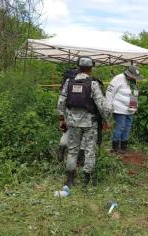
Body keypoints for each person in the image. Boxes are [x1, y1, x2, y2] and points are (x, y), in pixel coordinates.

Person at [57, 57, 111, 187]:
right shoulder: (93, 83)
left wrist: (61, 119)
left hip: (72, 123)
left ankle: (70, 180)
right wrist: (107, 119)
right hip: (90, 124)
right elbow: (102, 105)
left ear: (78, 67)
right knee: (89, 150)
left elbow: (61, 102)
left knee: (73, 151)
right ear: (91, 68)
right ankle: (86, 181)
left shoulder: (69, 82)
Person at [106, 65, 142, 153]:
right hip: (119, 108)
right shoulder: (118, 78)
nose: (134, 78)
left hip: (130, 109)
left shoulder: (133, 81)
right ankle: (115, 147)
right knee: (120, 127)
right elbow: (109, 93)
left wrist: (135, 106)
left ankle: (124, 145)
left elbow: (134, 94)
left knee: (127, 127)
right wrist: (109, 107)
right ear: (128, 73)